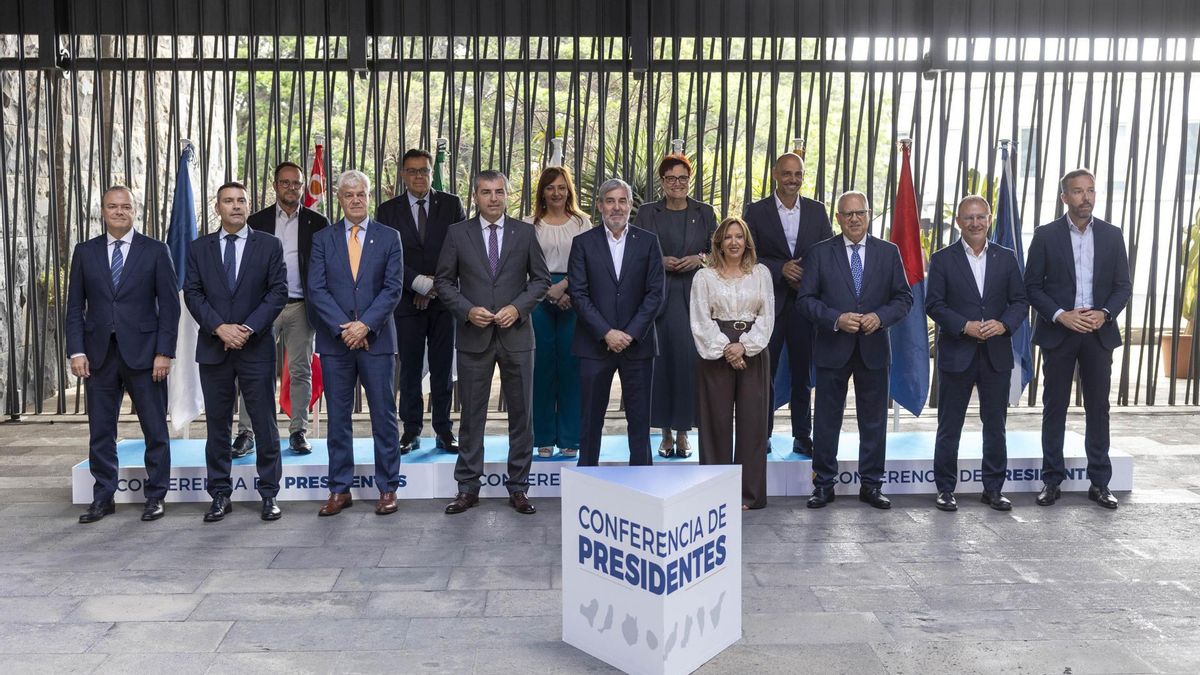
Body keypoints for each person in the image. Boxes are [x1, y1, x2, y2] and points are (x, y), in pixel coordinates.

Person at [434, 170, 550, 515]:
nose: (494, 198)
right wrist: (467, 312)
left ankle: (519, 488)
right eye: (486, 192)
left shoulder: (525, 232)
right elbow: (443, 282)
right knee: (472, 416)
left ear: (508, 195)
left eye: (500, 191)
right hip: (474, 336)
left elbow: (541, 280)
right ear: (475, 196)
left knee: (522, 416)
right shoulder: (457, 234)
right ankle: (468, 487)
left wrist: (518, 308)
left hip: (517, 336)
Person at [66, 185, 180, 524]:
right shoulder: (85, 252)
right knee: (101, 430)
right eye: (112, 206)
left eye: (125, 206)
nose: (119, 212)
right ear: (102, 210)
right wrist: (76, 350)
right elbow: (75, 307)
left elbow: (170, 308)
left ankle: (156, 496)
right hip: (98, 356)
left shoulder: (156, 251)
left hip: (146, 355)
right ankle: (103, 497)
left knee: (154, 429)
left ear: (135, 210)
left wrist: (164, 352)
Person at [797, 191, 913, 510]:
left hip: (874, 348)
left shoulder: (889, 253)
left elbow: (904, 299)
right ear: (838, 218)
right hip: (833, 347)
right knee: (826, 421)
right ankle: (823, 484)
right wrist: (836, 319)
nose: (854, 219)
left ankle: (872, 485)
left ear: (869, 214)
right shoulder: (820, 253)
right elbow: (805, 300)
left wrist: (880, 317)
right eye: (847, 214)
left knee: (874, 421)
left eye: (859, 212)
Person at [1025, 169, 1132, 510]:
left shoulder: (1113, 235)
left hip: (1098, 333)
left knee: (1098, 409)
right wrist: (1061, 315)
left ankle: (1100, 483)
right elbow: (1032, 287)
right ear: (1064, 198)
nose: (1085, 197)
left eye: (1090, 191)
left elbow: (1122, 287)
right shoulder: (1045, 235)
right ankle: (1051, 481)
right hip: (1060, 332)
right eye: (1077, 192)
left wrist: (1105, 314)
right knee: (1054, 407)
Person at [183, 181, 288, 522]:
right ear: (218, 208)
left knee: (264, 422)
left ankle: (269, 494)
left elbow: (278, 292)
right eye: (228, 201)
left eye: (241, 200)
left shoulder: (269, 245)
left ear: (248, 205)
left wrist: (246, 329)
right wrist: (219, 328)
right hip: (214, 348)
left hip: (255, 346)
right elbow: (193, 293)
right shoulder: (199, 248)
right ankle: (219, 494)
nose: (236, 206)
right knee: (217, 425)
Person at [307, 170, 405, 516]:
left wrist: (364, 326)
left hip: (376, 341)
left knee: (383, 416)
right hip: (336, 344)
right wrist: (344, 328)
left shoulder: (390, 237)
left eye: (361, 193)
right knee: (338, 419)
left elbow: (393, 288)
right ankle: (339, 489)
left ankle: (388, 488)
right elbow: (316, 289)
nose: (356, 200)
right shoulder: (323, 238)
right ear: (339, 198)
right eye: (348, 195)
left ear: (369, 195)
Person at [925, 196, 1029, 513]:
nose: (975, 223)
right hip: (957, 353)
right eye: (968, 218)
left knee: (995, 425)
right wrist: (963, 326)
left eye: (980, 217)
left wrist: (1003, 325)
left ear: (989, 218)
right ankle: (945, 489)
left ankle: (993, 489)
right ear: (958, 221)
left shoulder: (1007, 258)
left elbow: (1020, 302)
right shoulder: (942, 259)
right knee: (949, 426)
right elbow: (934, 304)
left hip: (996, 354)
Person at [231, 161, 329, 458]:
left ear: (303, 186)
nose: (291, 188)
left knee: (301, 370)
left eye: (296, 183)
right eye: (285, 183)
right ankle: (247, 432)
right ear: (275, 186)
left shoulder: (318, 222)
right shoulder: (257, 221)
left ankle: (298, 431)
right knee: (254, 371)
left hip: (301, 306)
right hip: (263, 308)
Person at [568, 178, 666, 467]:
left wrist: (631, 334)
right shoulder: (582, 243)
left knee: (639, 420)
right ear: (599, 206)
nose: (616, 207)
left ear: (631, 205)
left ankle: (642, 480)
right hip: (594, 344)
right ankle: (586, 477)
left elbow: (655, 293)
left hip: (638, 346)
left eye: (622, 201)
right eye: (610, 201)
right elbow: (578, 293)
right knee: (590, 420)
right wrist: (606, 333)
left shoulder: (648, 242)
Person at [376, 148, 467, 455]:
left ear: (431, 172)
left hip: (444, 302)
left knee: (443, 369)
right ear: (403, 175)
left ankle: (444, 431)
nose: (419, 176)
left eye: (424, 170)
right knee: (410, 369)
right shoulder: (387, 210)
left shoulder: (452, 204)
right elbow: (388, 257)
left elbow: (460, 250)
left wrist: (434, 286)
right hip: (406, 301)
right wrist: (417, 284)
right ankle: (411, 430)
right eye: (412, 171)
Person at [743, 153, 832, 456]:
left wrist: (805, 276)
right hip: (770, 303)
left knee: (802, 374)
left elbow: (827, 252)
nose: (793, 179)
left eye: (798, 174)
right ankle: (762, 433)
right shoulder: (755, 211)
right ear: (775, 174)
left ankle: (802, 435)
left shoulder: (818, 211)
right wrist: (780, 268)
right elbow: (747, 255)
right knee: (764, 372)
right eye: (787, 173)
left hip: (806, 304)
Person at [634, 154, 717, 459]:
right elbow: (636, 251)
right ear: (662, 182)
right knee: (659, 366)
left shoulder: (705, 212)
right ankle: (664, 433)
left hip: (693, 296)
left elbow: (718, 251)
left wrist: (700, 259)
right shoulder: (646, 213)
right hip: (657, 296)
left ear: (689, 180)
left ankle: (683, 432)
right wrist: (659, 261)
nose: (677, 184)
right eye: (671, 178)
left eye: (683, 178)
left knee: (688, 364)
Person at [690, 217, 774, 510]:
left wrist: (745, 346)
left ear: (747, 241)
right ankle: (715, 495)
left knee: (753, 424)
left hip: (753, 348)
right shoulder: (705, 277)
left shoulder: (761, 274)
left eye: (739, 236)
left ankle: (748, 495)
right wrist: (726, 348)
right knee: (715, 424)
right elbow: (700, 318)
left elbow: (767, 316)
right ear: (719, 243)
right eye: (728, 237)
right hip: (716, 350)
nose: (734, 242)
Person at [528, 166, 589, 459]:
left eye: (562, 187)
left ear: (569, 190)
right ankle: (542, 437)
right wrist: (546, 291)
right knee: (541, 368)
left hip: (573, 296)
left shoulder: (582, 222)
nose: (556, 193)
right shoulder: (529, 224)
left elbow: (589, 262)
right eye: (550, 187)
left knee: (570, 368)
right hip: (537, 297)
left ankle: (570, 437)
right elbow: (521, 266)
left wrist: (565, 287)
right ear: (542, 191)